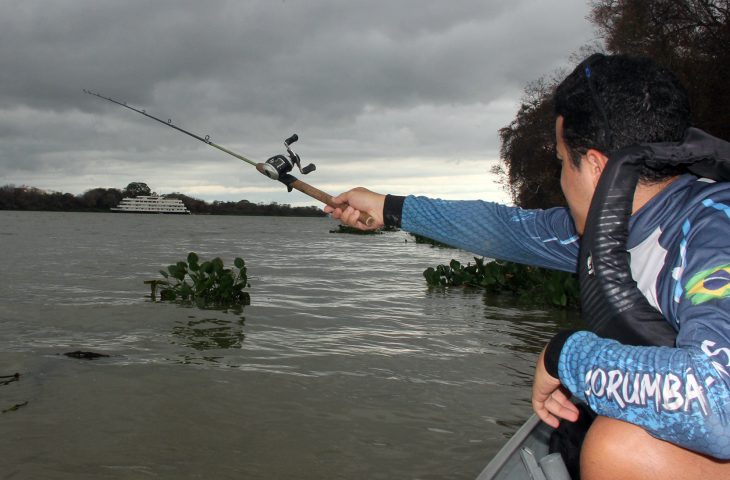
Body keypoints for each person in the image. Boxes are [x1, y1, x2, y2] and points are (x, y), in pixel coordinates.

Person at [325, 53, 730, 479]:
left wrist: (564, 354)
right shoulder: (612, 228)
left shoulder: (715, 230)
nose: (560, 178)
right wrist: (388, 208)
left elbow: (718, 403)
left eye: (560, 161)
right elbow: (506, 229)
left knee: (621, 448)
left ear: (596, 167)